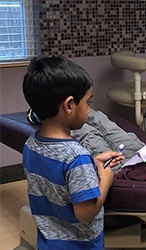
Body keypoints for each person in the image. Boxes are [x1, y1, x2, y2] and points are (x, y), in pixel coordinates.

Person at [22, 56, 123, 249]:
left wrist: (92, 163)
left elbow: (57, 177)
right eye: (87, 102)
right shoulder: (76, 157)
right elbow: (85, 213)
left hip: (48, 242)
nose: (89, 109)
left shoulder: (31, 145)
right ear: (69, 105)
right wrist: (106, 179)